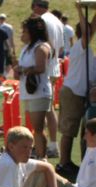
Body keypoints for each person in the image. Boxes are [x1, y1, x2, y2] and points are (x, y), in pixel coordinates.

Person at [56, 2, 96, 179]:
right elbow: (88, 31)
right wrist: (80, 10)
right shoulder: (79, 46)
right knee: (69, 131)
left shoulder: (88, 51)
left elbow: (91, 28)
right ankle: (64, 163)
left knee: (83, 131)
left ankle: (81, 162)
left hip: (81, 94)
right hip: (72, 93)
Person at [15, 16, 53, 160]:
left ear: (32, 32)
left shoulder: (41, 46)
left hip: (39, 91)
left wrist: (23, 69)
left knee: (38, 128)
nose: (22, 34)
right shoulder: (27, 48)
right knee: (34, 127)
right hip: (29, 91)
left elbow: (40, 67)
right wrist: (19, 69)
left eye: (24, 31)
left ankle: (42, 157)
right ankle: (38, 154)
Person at [32, 0, 64, 159]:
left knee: (43, 109)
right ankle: (51, 144)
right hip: (54, 66)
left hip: (46, 68)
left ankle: (47, 146)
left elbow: (46, 45)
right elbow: (62, 48)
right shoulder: (57, 20)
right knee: (48, 108)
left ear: (38, 6)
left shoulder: (43, 20)